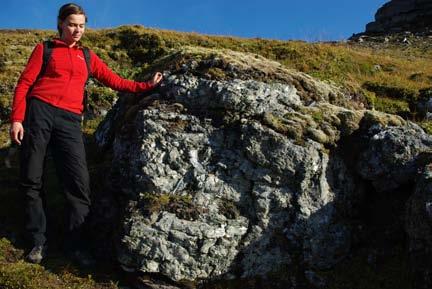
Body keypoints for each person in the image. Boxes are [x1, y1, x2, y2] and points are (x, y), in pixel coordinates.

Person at [9, 3, 163, 265]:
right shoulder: (44, 49)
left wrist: (145, 86)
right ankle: (38, 241)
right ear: (60, 24)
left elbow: (115, 81)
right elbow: (24, 83)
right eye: (72, 24)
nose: (77, 30)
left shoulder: (88, 56)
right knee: (31, 178)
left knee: (78, 182)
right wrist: (16, 119)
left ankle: (75, 245)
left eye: (81, 25)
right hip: (40, 112)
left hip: (70, 119)